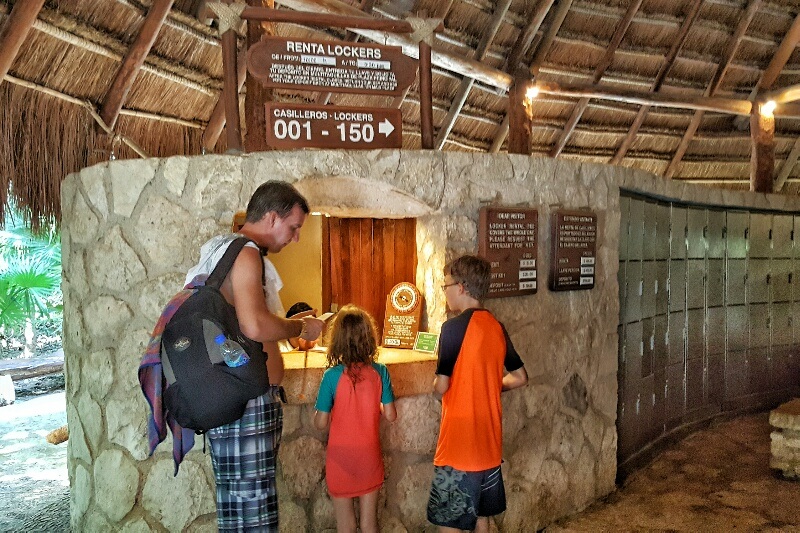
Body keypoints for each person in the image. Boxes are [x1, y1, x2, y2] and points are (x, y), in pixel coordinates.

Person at [185, 180, 325, 532]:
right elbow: (254, 326)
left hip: (229, 396)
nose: (294, 238)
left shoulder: (219, 248)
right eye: (293, 228)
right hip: (246, 401)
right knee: (255, 510)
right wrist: (300, 329)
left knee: (238, 506)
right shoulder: (246, 253)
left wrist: (286, 323)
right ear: (273, 217)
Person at [427, 255, 528, 533]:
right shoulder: (496, 327)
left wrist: (435, 385)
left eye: (445, 285)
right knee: (482, 521)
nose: (445, 292)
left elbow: (442, 386)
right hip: (489, 447)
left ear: (460, 287)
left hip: (459, 446)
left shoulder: (451, 329)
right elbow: (520, 377)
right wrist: (491, 385)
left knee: (449, 526)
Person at [313, 305, 397, 533]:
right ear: (369, 338)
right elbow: (391, 415)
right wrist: (374, 405)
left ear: (337, 340)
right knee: (370, 524)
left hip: (340, 459)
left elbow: (320, 423)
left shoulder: (330, 377)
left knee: (346, 525)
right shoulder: (381, 372)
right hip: (369, 456)